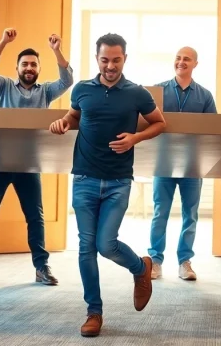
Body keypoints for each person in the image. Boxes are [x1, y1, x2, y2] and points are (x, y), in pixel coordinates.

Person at [49, 33, 166, 338]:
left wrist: (135, 138)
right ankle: (94, 312)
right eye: (104, 60)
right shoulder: (82, 89)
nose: (110, 65)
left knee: (106, 244)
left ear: (124, 58)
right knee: (86, 248)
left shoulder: (137, 93)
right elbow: (76, 115)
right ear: (97, 58)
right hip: (84, 178)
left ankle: (141, 268)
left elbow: (160, 123)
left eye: (116, 60)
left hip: (117, 181)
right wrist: (63, 121)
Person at [0, 28, 74, 287]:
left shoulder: (46, 92)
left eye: (33, 64)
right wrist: (4, 41)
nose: (29, 67)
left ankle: (41, 267)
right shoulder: (3, 86)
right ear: (17, 68)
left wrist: (56, 50)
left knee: (35, 217)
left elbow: (67, 80)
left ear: (38, 68)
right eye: (25, 64)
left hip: (29, 163)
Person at [148, 46, 216, 281]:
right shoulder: (158, 91)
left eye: (186, 59)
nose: (181, 62)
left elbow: (212, 131)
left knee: (191, 214)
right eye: (178, 58)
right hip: (163, 163)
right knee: (160, 213)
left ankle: (184, 262)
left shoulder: (205, 96)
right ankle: (155, 261)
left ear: (195, 64)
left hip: (192, 165)